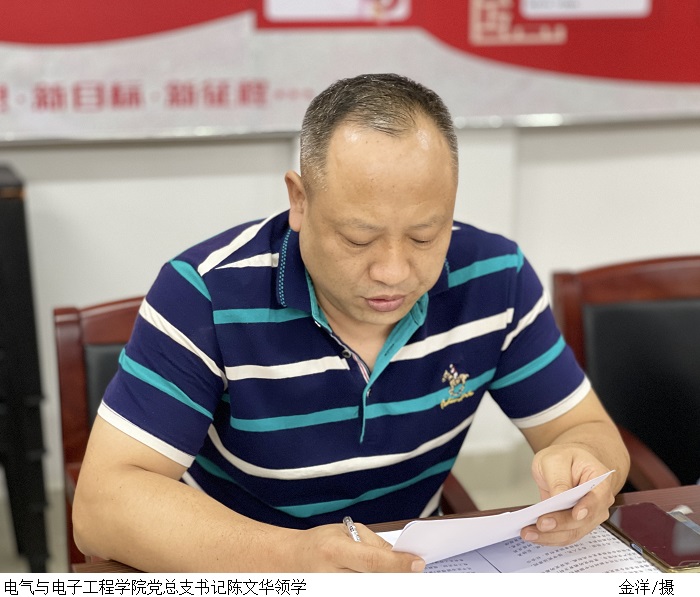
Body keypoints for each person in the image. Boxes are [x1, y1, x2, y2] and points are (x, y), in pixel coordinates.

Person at [73, 73, 630, 572]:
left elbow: (585, 430)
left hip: (412, 571)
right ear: (299, 200)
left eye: (424, 236)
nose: (393, 272)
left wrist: (587, 467)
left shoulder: (494, 277)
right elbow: (102, 506)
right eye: (358, 238)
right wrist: (291, 559)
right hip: (247, 569)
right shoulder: (205, 294)